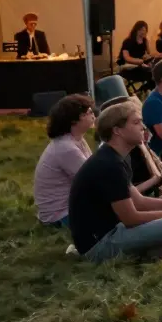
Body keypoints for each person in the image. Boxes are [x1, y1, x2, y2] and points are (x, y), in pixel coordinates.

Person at [68, 100, 162, 264]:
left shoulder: (115, 158)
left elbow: (139, 201)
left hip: (113, 230)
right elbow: (131, 218)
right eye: (136, 122)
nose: (143, 126)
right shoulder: (109, 164)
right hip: (100, 244)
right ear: (118, 131)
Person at [33, 94, 96, 227]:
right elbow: (92, 181)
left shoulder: (76, 139)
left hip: (68, 208)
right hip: (60, 216)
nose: (93, 115)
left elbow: (93, 170)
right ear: (73, 120)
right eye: (88, 112)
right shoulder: (66, 148)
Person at [119, 21, 155, 88]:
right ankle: (146, 90)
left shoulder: (145, 41)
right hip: (129, 67)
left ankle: (148, 91)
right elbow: (126, 58)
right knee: (150, 73)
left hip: (141, 65)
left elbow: (149, 53)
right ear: (136, 30)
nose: (143, 32)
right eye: (141, 30)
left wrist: (146, 57)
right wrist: (139, 61)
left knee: (155, 69)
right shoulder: (127, 41)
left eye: (145, 30)